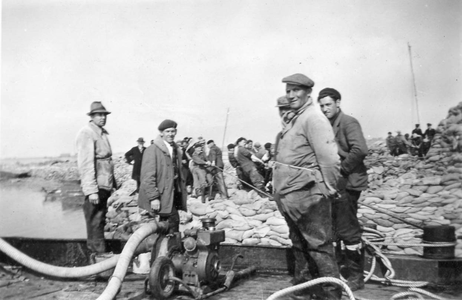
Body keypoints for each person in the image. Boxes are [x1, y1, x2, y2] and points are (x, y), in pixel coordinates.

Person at [273, 74, 341, 300]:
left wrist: (329, 188)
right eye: (288, 90)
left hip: (309, 197)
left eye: (296, 90)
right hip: (292, 198)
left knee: (319, 248)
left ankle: (332, 295)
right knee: (300, 246)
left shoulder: (313, 119)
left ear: (308, 92)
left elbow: (330, 159)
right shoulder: (295, 119)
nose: (291, 95)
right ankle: (304, 291)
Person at [318, 87, 368, 291]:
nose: (324, 109)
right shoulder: (324, 125)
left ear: (338, 103)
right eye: (321, 106)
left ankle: (356, 277)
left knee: (348, 229)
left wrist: (341, 171)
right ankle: (338, 271)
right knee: (334, 229)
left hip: (347, 183)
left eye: (328, 104)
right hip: (332, 184)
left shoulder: (348, 122)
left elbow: (360, 150)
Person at [76, 101, 116, 256]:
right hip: (96, 187)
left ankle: (100, 255)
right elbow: (85, 164)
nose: (102, 118)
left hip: (104, 186)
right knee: (94, 222)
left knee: (99, 221)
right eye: (99, 115)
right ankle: (97, 258)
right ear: (91, 117)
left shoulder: (102, 134)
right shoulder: (87, 133)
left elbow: (107, 163)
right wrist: (91, 190)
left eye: (104, 115)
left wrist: (113, 184)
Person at [138, 119, 187, 234]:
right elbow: (147, 177)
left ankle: (167, 248)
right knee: (172, 221)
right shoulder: (152, 150)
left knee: (168, 223)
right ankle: (168, 248)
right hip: (160, 195)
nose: (171, 134)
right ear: (161, 133)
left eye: (173, 131)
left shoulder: (175, 149)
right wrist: (153, 197)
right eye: (167, 131)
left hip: (172, 194)